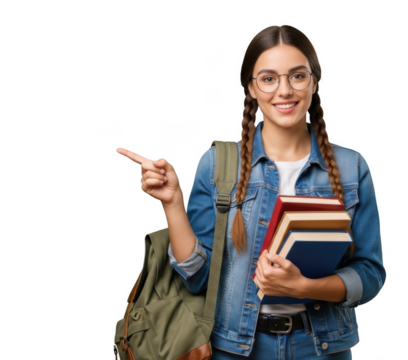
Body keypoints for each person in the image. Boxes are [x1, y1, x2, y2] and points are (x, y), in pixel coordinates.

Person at [116, 24, 385, 359]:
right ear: (252, 88)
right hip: (234, 348)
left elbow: (370, 274)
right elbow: (197, 279)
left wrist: (305, 287)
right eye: (269, 78)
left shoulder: (351, 167)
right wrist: (172, 202)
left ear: (314, 82)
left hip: (322, 349)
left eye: (297, 76)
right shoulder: (218, 165)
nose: (284, 90)